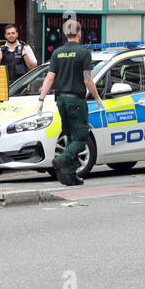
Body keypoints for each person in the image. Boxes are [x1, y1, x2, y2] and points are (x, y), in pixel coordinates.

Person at [37, 18, 101, 187]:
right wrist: (97, 98)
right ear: (79, 33)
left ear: (65, 34)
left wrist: (41, 99)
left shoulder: (57, 53)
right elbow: (87, 80)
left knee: (71, 137)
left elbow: (49, 78)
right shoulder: (84, 52)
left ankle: (71, 176)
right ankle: (62, 160)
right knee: (81, 138)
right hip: (76, 101)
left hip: (61, 100)